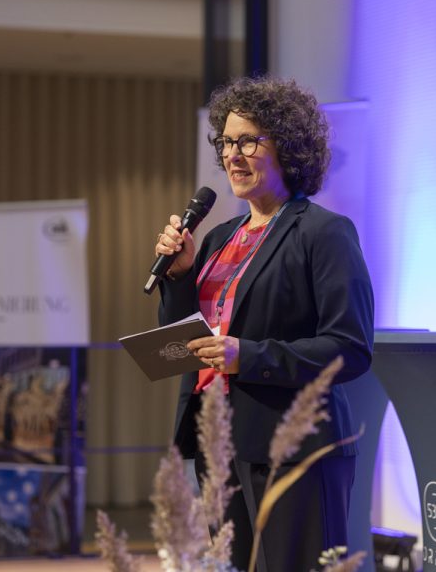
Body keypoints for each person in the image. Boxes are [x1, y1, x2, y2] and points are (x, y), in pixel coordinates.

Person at [154, 76, 374, 571]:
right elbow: (185, 339)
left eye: (249, 141)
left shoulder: (324, 233)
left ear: (289, 148)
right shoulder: (218, 239)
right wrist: (181, 276)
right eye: (227, 142)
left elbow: (350, 348)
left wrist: (248, 356)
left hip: (292, 450)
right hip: (219, 444)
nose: (233, 155)